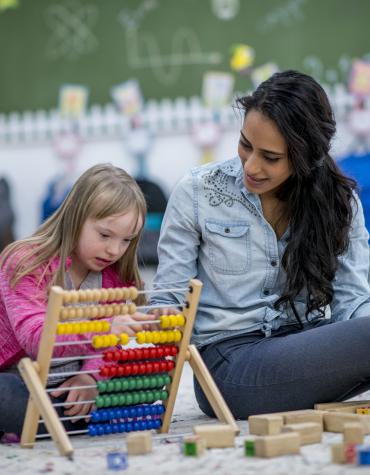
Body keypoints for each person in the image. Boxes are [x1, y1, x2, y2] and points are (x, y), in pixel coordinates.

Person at [151, 70, 370, 419]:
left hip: (306, 353)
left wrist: (355, 343)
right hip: (229, 370)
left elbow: (354, 301)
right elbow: (169, 299)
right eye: (245, 144)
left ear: (305, 157)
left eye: (270, 157)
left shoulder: (340, 203)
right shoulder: (197, 192)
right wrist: (159, 321)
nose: (251, 165)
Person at [0, 163, 156, 437]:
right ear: (75, 217)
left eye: (126, 240)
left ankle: (53, 419)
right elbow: (36, 340)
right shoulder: (27, 262)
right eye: (105, 235)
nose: (114, 250)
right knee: (6, 395)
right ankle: (53, 419)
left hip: (69, 383)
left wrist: (92, 377)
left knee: (143, 382)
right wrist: (106, 328)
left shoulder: (115, 279)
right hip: (22, 375)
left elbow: (106, 349)